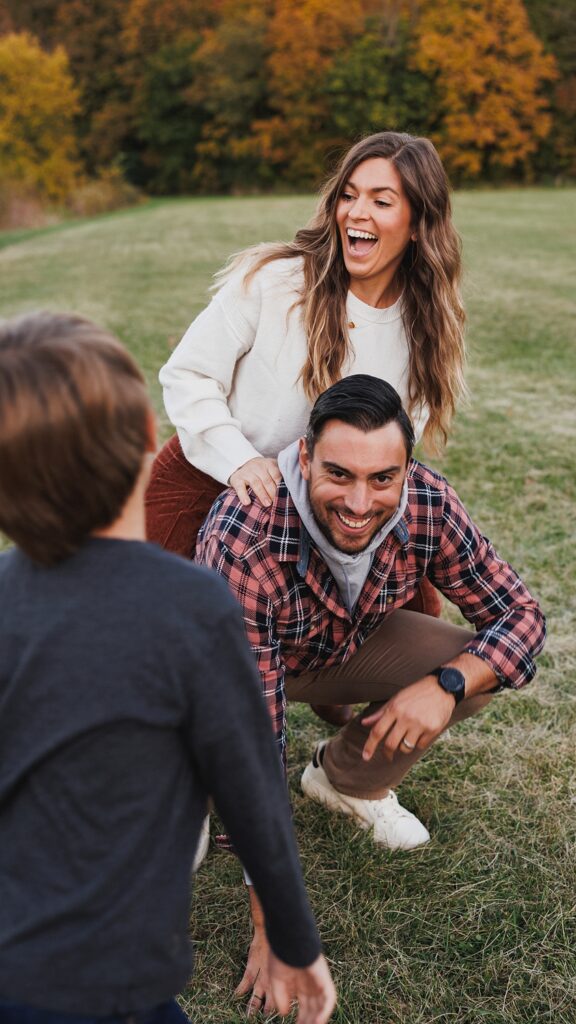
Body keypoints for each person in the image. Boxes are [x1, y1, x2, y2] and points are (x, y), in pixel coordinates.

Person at [0, 312, 336, 1024]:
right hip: (111, 977)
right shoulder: (192, 606)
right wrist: (293, 939)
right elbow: (249, 789)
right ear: (151, 441)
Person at [195, 374, 546, 1008]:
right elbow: (253, 734)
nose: (360, 502)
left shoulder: (427, 501)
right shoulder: (247, 534)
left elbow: (520, 616)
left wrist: (445, 685)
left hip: (334, 647)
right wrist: (276, 924)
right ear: (305, 457)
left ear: (406, 468)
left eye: (382, 478)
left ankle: (344, 779)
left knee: (471, 673)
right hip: (224, 672)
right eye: (339, 474)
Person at [145, 130, 464, 721]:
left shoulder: (425, 324)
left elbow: (400, 442)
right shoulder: (277, 281)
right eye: (349, 194)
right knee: (163, 644)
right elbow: (187, 375)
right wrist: (240, 459)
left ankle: (342, 740)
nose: (357, 212)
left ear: (419, 224)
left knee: (420, 612)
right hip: (210, 483)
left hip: (322, 506)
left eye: (381, 200)